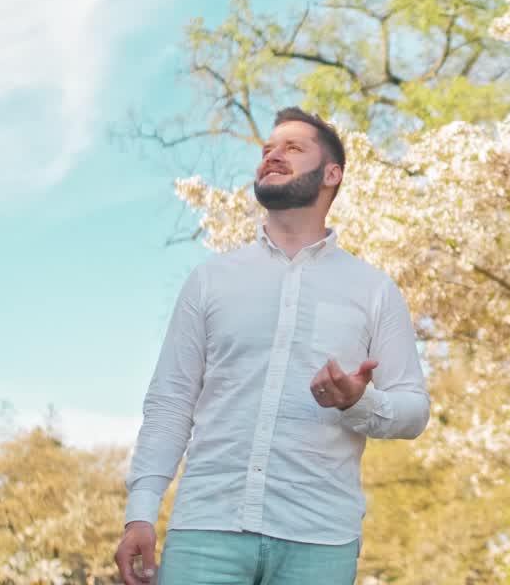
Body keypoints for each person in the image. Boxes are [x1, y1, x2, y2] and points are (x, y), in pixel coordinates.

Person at [114, 107, 431, 585]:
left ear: (332, 174)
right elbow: (170, 403)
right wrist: (140, 511)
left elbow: (414, 409)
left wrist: (359, 403)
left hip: (320, 540)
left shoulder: (374, 290)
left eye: (292, 147)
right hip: (205, 531)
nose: (272, 156)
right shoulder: (210, 281)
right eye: (267, 150)